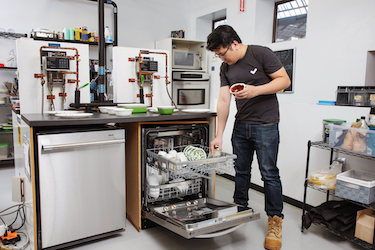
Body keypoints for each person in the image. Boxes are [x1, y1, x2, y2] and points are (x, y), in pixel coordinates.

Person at [206, 25, 290, 250]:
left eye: (223, 53)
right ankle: (239, 207)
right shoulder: (226, 67)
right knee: (241, 171)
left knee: (269, 174)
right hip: (241, 126)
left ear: (234, 43)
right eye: (218, 55)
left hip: (266, 125)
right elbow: (224, 101)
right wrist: (218, 134)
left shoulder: (261, 53)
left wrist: (255, 90)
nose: (222, 58)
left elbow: (284, 80)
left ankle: (275, 220)